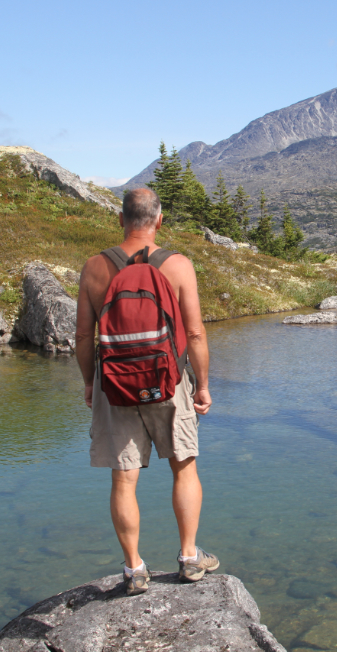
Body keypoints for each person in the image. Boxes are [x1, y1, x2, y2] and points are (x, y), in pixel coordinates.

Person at [75, 187, 217, 596]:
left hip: (114, 384)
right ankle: (190, 558)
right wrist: (202, 386)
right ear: (159, 221)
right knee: (184, 467)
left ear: (120, 220)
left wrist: (90, 382)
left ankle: (134, 569)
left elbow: (84, 336)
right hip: (168, 381)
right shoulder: (177, 265)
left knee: (124, 479)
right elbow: (194, 332)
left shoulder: (95, 267)